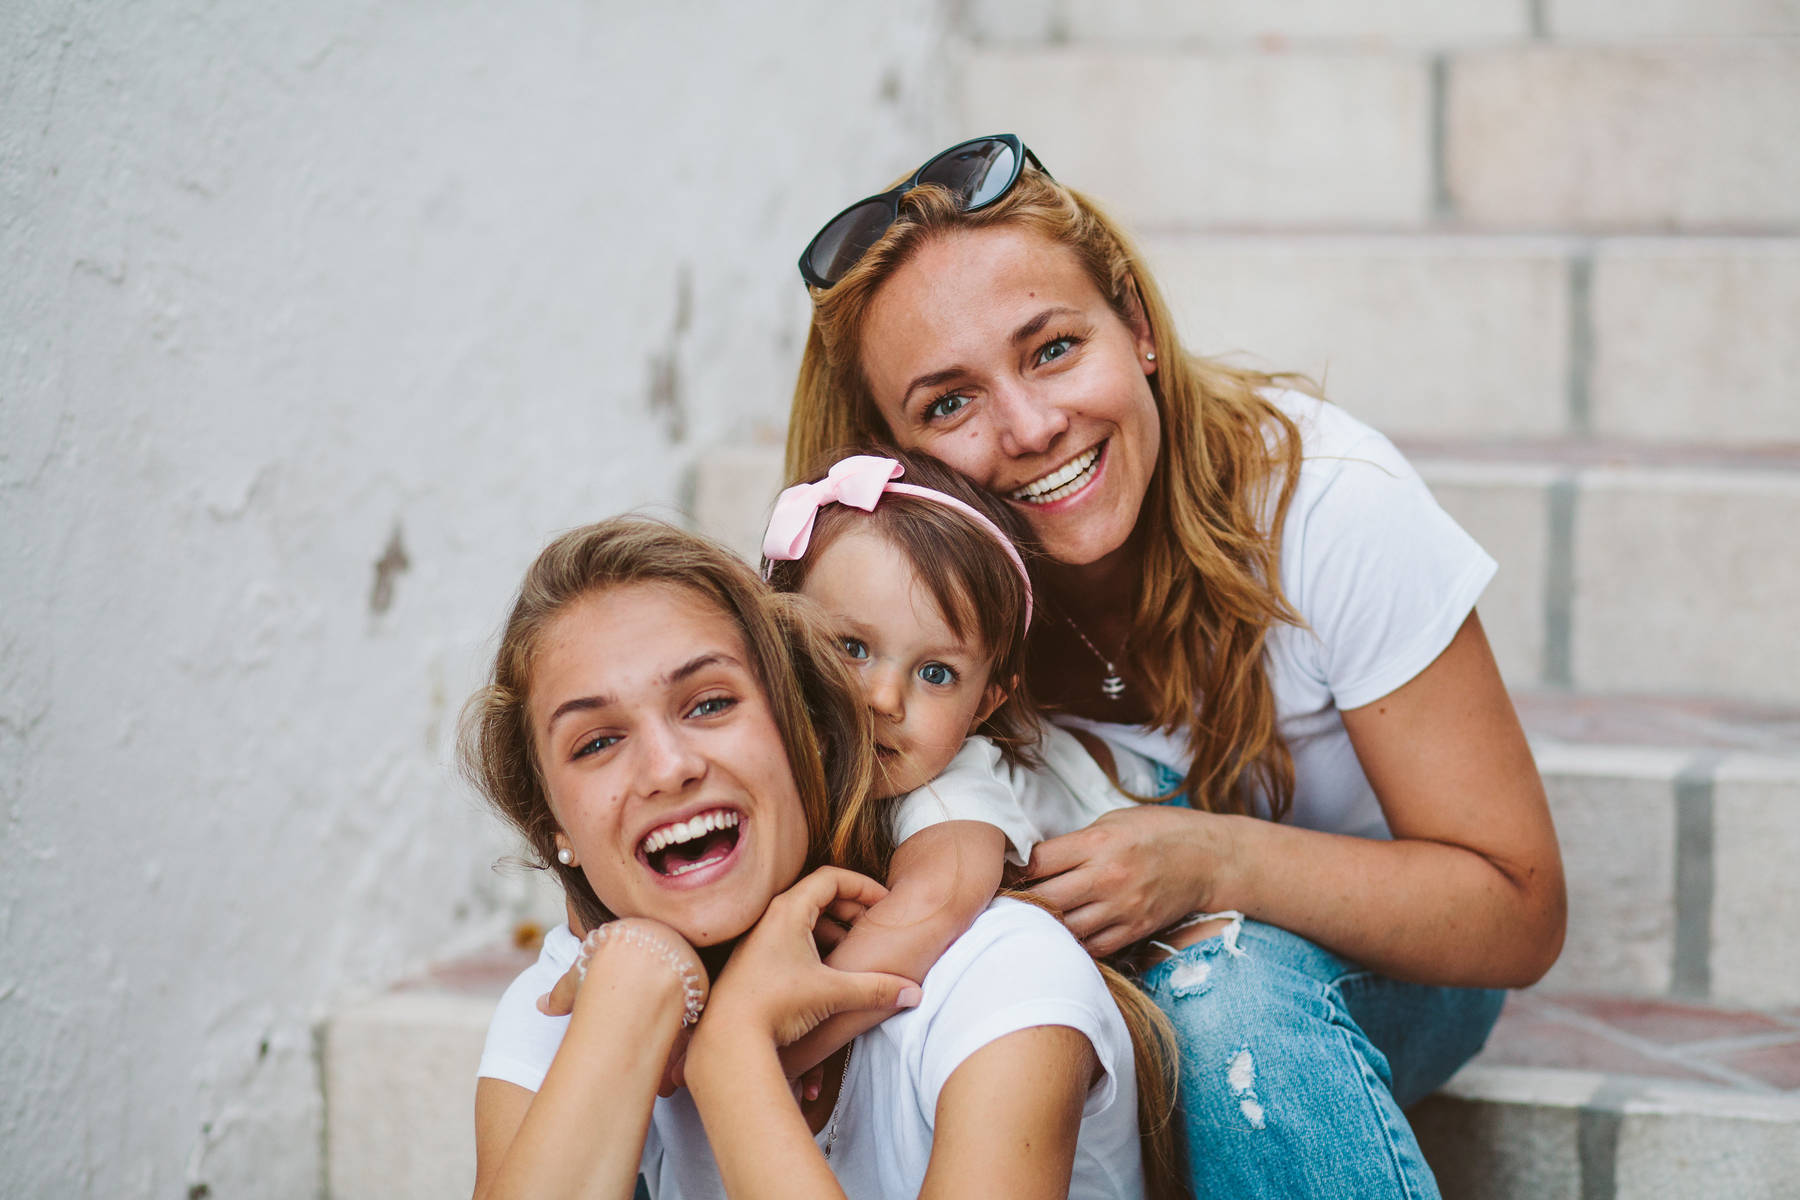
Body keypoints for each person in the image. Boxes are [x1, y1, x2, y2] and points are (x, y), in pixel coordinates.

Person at [786, 133, 1568, 1197]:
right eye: (949, 403)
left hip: (1384, 963)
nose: (1029, 426)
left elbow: (1518, 910)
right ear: (889, 454)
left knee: (1222, 1000)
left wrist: (1211, 863)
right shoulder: (894, 606)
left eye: (1053, 348)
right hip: (1104, 987)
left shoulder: (1327, 505)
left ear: (1138, 330)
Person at [460, 516, 1183, 1200]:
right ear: (553, 823)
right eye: (596, 743)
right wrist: (638, 977)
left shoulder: (1001, 975)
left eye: (710, 704)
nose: (667, 767)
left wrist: (733, 1054)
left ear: (802, 723)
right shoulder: (575, 994)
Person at [759, 449, 1180, 1085]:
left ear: (985, 702)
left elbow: (931, 907)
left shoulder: (952, 788)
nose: (883, 698)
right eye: (851, 648)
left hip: (1154, 812)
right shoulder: (767, 743)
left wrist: (776, 1047)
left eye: (935, 674)